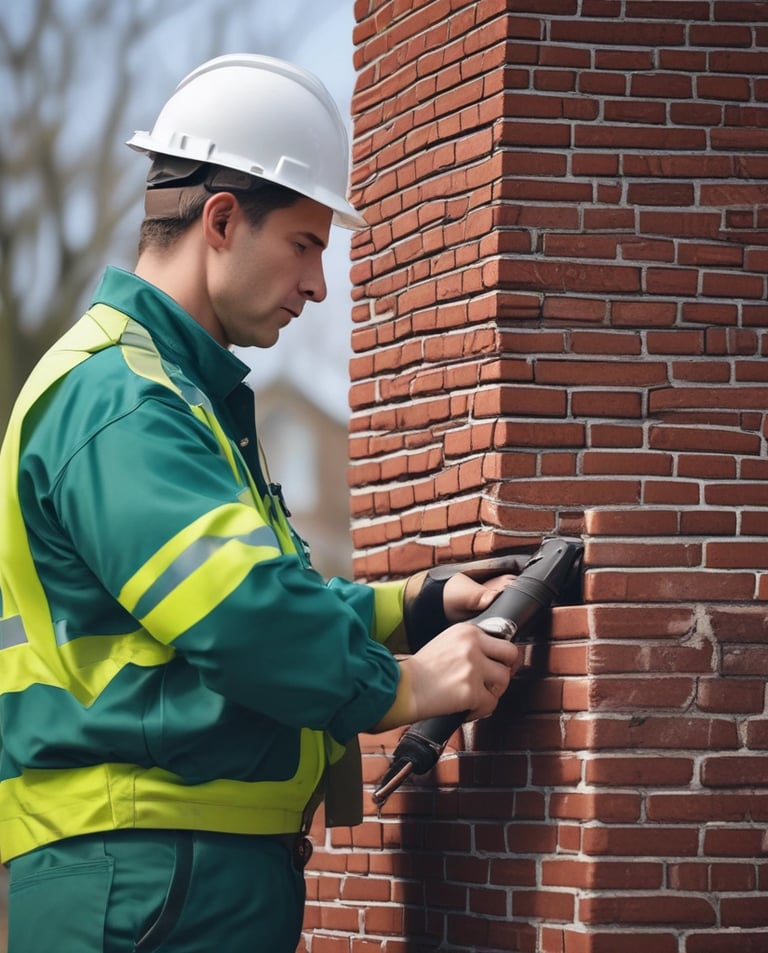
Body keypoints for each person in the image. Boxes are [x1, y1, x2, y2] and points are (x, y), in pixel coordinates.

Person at [0, 54, 521, 953]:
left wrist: (413, 605)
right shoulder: (122, 398)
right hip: (150, 874)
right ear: (221, 220)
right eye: (306, 244)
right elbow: (240, 613)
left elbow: (244, 596)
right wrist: (405, 684)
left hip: (163, 871)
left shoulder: (171, 397)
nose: (319, 285)